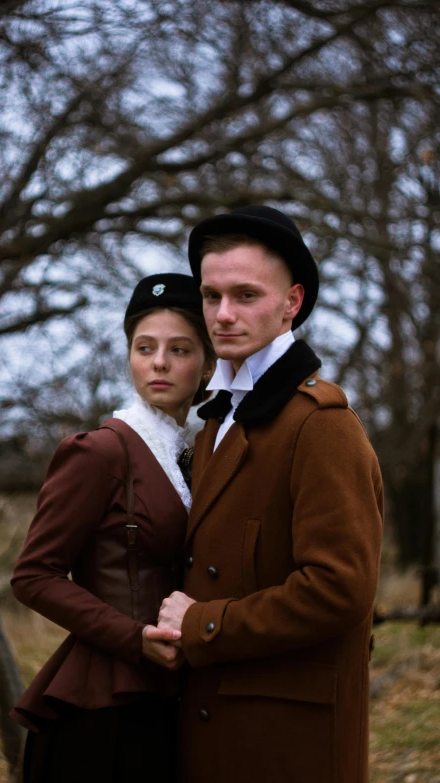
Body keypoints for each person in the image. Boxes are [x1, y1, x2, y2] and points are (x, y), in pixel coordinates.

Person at [157, 206, 384, 783]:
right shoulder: (218, 418)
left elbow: (339, 590)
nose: (223, 315)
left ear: (292, 303)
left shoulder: (322, 424)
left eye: (246, 295)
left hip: (286, 745)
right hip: (219, 728)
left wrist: (205, 624)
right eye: (211, 297)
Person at [10, 273, 215, 783]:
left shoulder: (201, 451)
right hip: (104, 707)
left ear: (208, 364)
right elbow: (34, 575)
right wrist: (132, 637)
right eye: (144, 347)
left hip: (174, 697)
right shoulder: (100, 450)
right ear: (129, 357)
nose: (159, 362)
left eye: (180, 348)